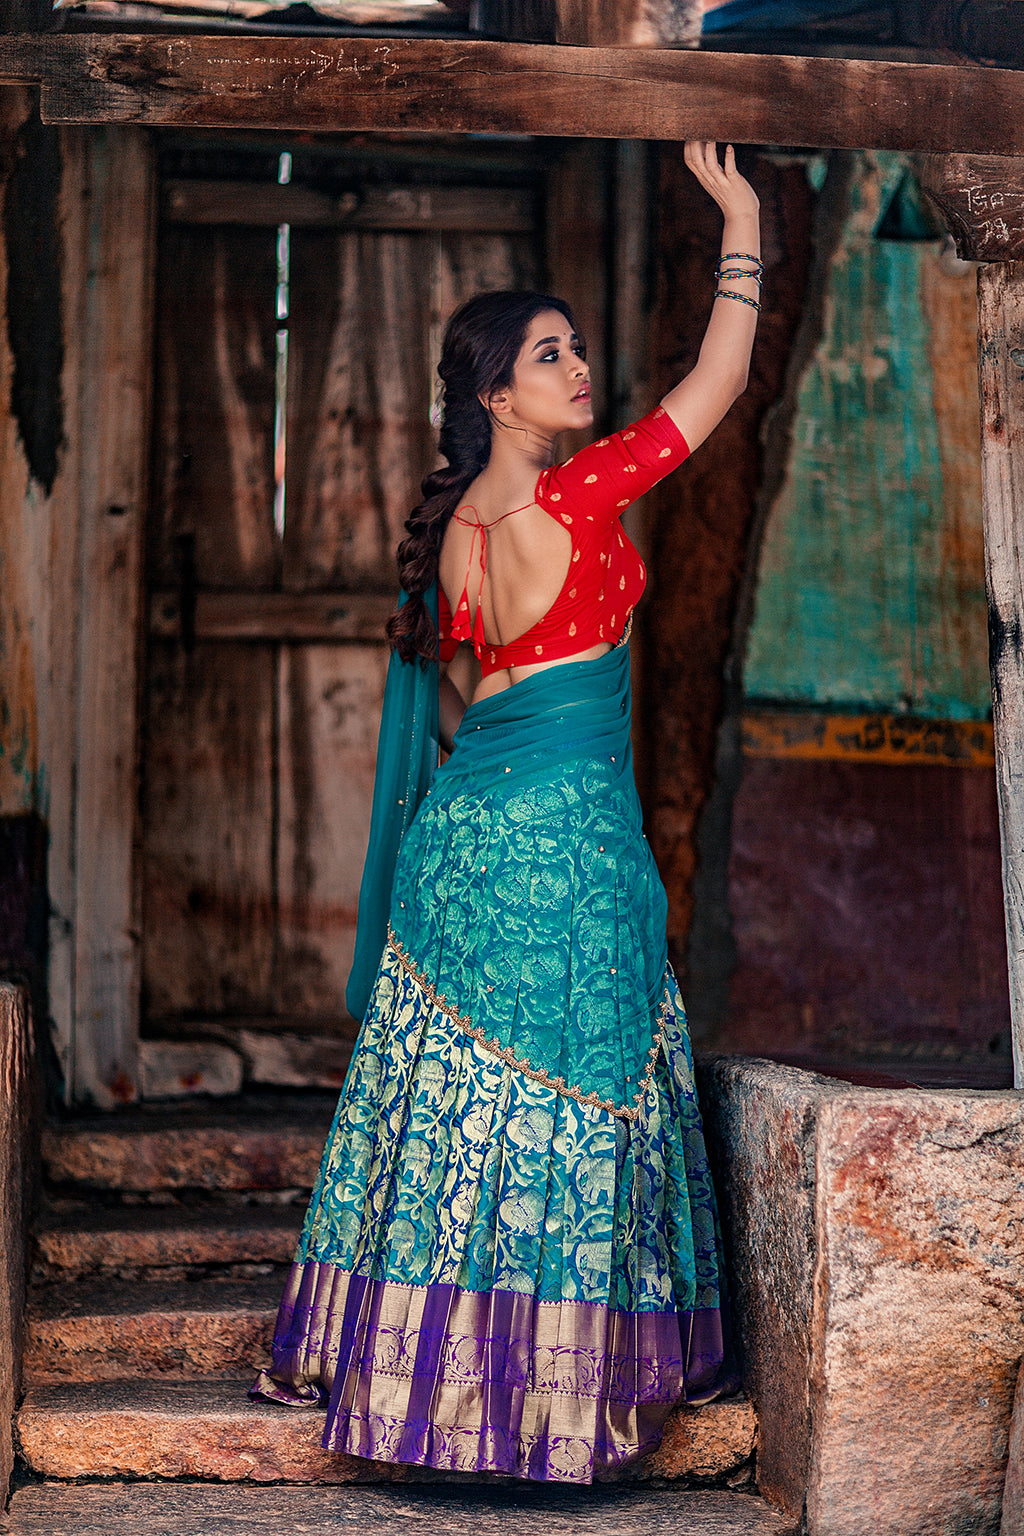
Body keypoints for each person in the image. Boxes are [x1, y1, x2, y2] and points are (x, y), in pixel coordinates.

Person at [251, 141, 761, 1484]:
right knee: (572, 1111)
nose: (579, 368)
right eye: (549, 355)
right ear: (496, 393)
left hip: (465, 847)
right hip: (564, 853)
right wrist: (746, 223)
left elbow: (476, 709)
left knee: (455, 1125)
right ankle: (543, 1412)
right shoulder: (574, 493)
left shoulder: (458, 530)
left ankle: (428, 1387)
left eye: (576, 346)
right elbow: (717, 385)